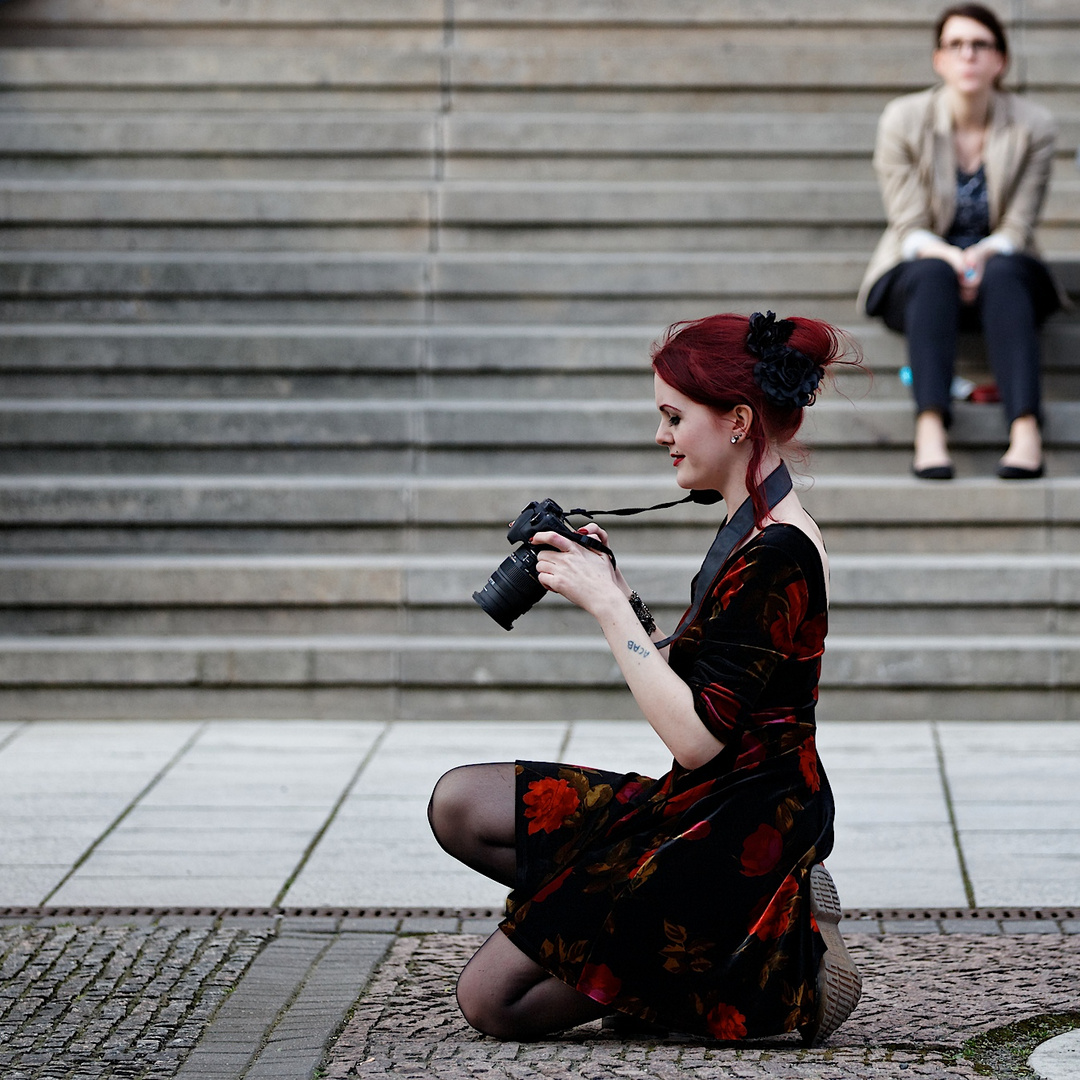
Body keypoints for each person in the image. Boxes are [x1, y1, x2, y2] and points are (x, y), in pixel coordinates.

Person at [428, 311, 863, 1044]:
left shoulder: (781, 550)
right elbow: (707, 686)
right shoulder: (749, 528)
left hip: (742, 824)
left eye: (673, 416)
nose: (661, 435)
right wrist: (622, 591)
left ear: (737, 421)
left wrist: (605, 607)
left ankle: (782, 955)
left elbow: (696, 737)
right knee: (462, 805)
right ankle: (697, 940)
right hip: (697, 804)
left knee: (493, 1001)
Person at [859, 3, 1064, 480]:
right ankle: (929, 427)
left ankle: (1026, 429)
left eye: (981, 44)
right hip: (919, 272)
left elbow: (1019, 226)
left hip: (1004, 274)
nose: (968, 55)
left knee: (1006, 269)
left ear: (1001, 60)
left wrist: (984, 254)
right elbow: (907, 225)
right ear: (939, 59)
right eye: (956, 45)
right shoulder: (903, 119)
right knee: (933, 273)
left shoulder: (1034, 126)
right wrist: (955, 258)